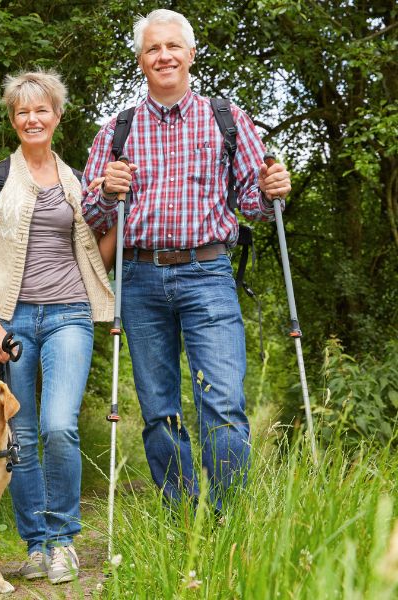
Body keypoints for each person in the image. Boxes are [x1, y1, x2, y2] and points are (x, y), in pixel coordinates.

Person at [82, 9, 292, 511]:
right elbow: (89, 214)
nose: (164, 56)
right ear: (140, 61)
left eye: (173, 46)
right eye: (153, 49)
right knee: (158, 410)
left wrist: (272, 191)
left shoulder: (227, 119)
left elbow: (255, 205)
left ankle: (226, 521)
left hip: (208, 273)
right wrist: (108, 194)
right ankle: (179, 515)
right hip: (139, 276)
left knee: (221, 404)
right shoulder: (117, 130)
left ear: (191, 54)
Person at [0, 69, 114, 583]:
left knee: (58, 425)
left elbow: (96, 257)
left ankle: (65, 539)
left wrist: (123, 216)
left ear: (57, 116)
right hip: (10, 319)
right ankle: (36, 543)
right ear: (13, 119)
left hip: (70, 312)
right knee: (17, 433)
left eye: (41, 109)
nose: (32, 118)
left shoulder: (79, 182)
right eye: (22, 111)